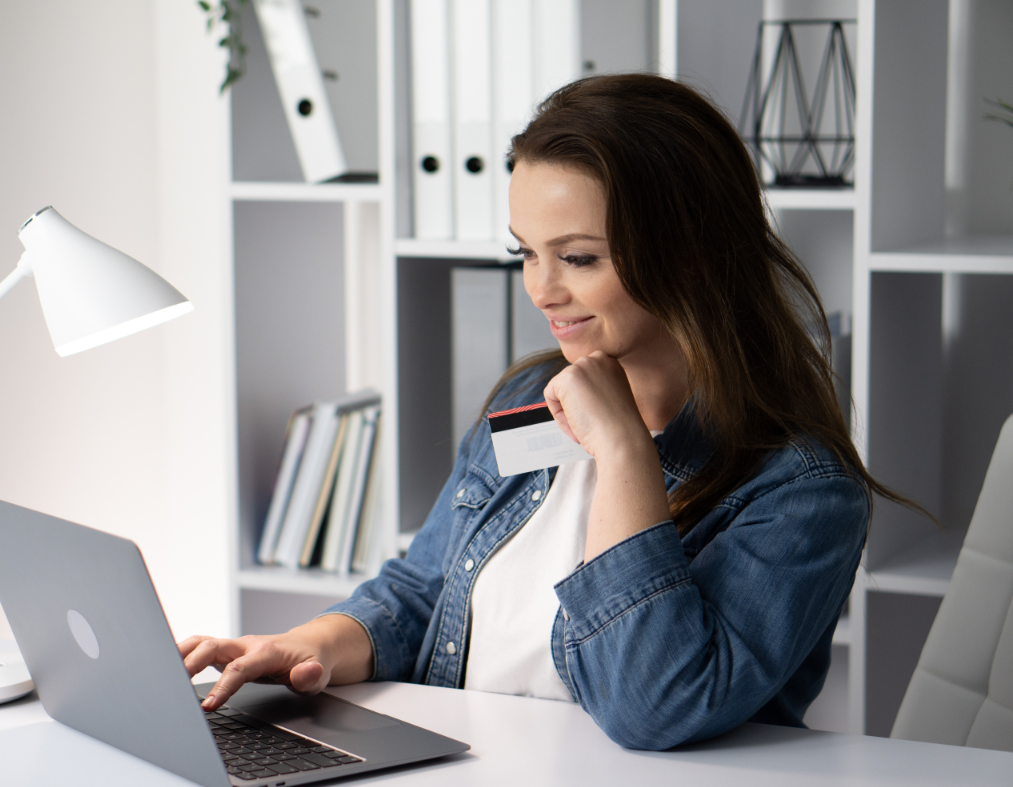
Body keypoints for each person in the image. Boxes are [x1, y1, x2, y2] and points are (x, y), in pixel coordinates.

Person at [180, 74, 897, 751]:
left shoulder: (799, 493)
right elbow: (424, 590)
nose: (541, 290)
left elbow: (651, 706)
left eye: (579, 258)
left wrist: (623, 454)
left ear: (692, 257)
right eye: (524, 253)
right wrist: (314, 644)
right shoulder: (527, 399)